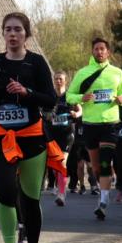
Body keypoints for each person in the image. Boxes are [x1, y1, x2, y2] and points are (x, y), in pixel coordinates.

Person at [0, 12, 59, 243]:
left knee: (29, 197)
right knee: (4, 189)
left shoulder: (36, 63)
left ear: (26, 34)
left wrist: (27, 93)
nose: (12, 34)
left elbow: (51, 100)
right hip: (2, 137)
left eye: (17, 29)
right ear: (3, 34)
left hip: (32, 138)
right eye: (8, 30)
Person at [65, 38, 122, 220]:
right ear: (92, 52)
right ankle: (103, 190)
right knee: (95, 167)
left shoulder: (117, 73)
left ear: (108, 52)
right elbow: (69, 96)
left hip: (110, 123)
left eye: (102, 49)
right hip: (90, 124)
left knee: (105, 161)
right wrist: (81, 98)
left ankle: (103, 201)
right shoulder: (83, 73)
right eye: (96, 49)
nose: (99, 52)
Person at [46, 71, 74, 206]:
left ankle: (61, 194)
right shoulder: (49, 96)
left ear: (65, 81)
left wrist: (76, 113)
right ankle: (60, 187)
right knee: (54, 165)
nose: (58, 81)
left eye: (61, 79)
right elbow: (43, 112)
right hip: (52, 133)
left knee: (62, 163)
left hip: (67, 133)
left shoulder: (69, 96)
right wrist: (47, 116)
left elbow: (80, 110)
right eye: (56, 79)